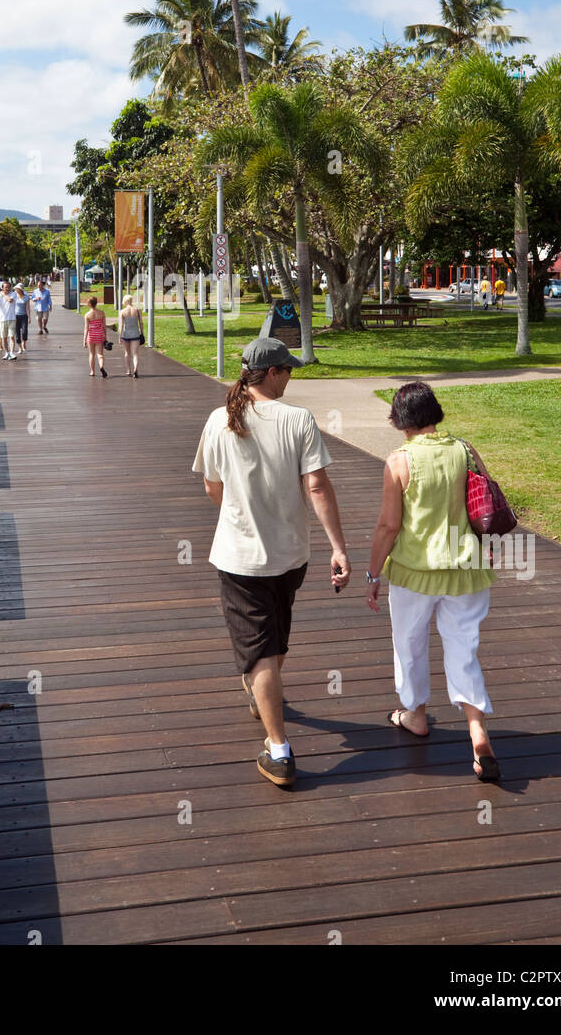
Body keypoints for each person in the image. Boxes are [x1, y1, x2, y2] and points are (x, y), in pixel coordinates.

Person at [192, 337, 352, 788]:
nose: (291, 379)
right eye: (289, 371)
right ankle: (265, 705)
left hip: (239, 556)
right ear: (274, 373)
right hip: (289, 554)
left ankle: (279, 751)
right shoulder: (298, 420)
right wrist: (338, 547)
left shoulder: (219, 419)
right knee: (274, 641)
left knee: (263, 650)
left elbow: (212, 487)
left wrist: (240, 513)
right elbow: (317, 487)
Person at [366, 381, 500, 782]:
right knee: (464, 650)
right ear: (435, 413)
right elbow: (486, 500)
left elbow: (389, 526)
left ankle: (415, 714)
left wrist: (373, 573)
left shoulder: (399, 461)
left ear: (400, 420)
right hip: (467, 571)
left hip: (414, 572)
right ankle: (477, 732)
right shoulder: (466, 450)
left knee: (409, 644)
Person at [118, 294, 143, 378]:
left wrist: (119, 336)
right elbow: (141, 323)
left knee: (127, 353)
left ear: (125, 301)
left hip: (126, 335)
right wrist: (142, 333)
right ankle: (136, 368)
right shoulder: (137, 310)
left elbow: (121, 325)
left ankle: (128, 370)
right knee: (135, 354)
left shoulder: (122, 311)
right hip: (135, 334)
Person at [83, 295, 108, 377]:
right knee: (100, 354)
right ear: (96, 303)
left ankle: (92, 371)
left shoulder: (87, 315)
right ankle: (101, 367)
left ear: (89, 304)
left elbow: (86, 328)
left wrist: (84, 340)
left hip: (91, 335)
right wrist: (105, 336)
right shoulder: (101, 313)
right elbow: (104, 326)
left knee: (91, 354)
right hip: (99, 335)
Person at [0, 281, 18, 360]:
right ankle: (7, 352)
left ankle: (11, 353)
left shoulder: (13, 294)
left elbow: (10, 300)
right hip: (2, 319)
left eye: (9, 287)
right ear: (2, 288)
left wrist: (3, 294)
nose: (7, 288)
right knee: (4, 337)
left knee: (11, 336)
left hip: (12, 318)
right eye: (6, 287)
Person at [14, 284, 29, 353]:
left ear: (21, 289)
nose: (16, 290)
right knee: (17, 332)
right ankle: (20, 348)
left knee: (24, 331)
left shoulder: (26, 297)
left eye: (17, 289)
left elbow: (27, 308)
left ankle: (24, 343)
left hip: (24, 316)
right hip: (15, 316)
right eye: (16, 288)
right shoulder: (14, 296)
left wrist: (29, 317)